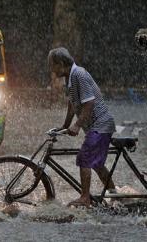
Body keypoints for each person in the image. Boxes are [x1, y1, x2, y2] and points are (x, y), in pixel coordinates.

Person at [48, 47, 116, 207]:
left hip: (101, 124)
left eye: (53, 65)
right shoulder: (70, 77)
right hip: (96, 126)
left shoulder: (79, 74)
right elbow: (73, 103)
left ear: (61, 63)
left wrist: (77, 125)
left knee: (84, 158)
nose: (51, 69)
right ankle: (115, 195)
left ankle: (85, 197)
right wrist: (65, 126)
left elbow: (89, 102)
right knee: (97, 164)